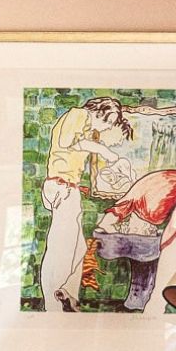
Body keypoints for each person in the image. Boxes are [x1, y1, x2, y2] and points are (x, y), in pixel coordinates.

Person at [37, 96, 134, 311]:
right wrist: (103, 151)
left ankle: (67, 294)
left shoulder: (85, 127)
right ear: (101, 112)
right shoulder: (78, 114)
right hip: (63, 187)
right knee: (61, 249)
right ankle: (53, 305)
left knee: (79, 247)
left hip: (67, 188)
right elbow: (66, 142)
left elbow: (77, 146)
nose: (108, 127)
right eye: (109, 121)